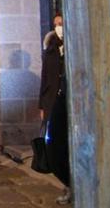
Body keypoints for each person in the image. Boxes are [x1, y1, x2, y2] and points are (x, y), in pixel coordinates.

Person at [40, 15, 72, 205]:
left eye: (61, 23)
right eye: (55, 25)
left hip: (73, 100)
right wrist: (41, 104)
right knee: (56, 146)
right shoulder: (51, 47)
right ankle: (67, 183)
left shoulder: (78, 42)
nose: (58, 27)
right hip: (54, 101)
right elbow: (45, 77)